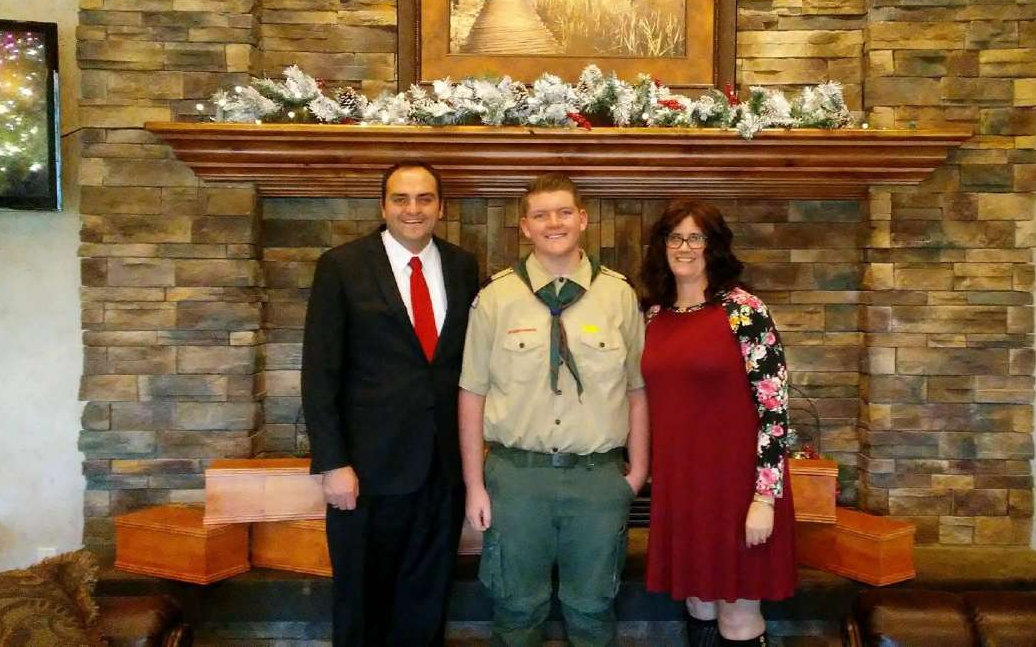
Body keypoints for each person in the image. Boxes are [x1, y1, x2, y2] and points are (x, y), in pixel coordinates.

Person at [458, 172, 649, 647]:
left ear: (583, 219)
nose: (553, 223)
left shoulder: (619, 295)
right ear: (524, 227)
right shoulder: (495, 297)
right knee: (516, 609)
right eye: (541, 215)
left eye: (564, 212)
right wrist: (474, 485)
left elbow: (637, 389)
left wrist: (638, 472)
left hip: (597, 479)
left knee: (592, 609)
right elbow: (471, 393)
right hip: (517, 478)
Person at [301, 161, 480, 647]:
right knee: (363, 604)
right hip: (366, 474)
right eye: (401, 198)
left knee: (427, 602)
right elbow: (319, 374)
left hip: (440, 473)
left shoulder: (463, 267)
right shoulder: (341, 267)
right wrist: (333, 462)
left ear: (441, 207)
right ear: (383, 206)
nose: (413, 209)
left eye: (424, 199)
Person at [639, 200, 797, 647]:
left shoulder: (744, 311)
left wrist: (765, 497)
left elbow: (775, 410)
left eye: (696, 237)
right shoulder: (654, 315)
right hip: (682, 488)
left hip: (738, 491)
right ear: (662, 246)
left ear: (715, 246)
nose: (684, 247)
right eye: (675, 237)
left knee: (737, 615)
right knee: (697, 605)